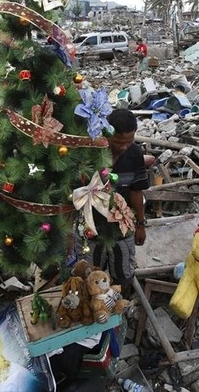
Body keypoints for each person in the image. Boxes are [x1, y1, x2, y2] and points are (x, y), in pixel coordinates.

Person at [77, 109, 149, 292]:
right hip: (91, 227)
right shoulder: (89, 153)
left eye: (129, 141)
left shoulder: (134, 154)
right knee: (89, 276)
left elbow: (136, 191)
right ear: (107, 133)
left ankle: (119, 305)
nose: (124, 147)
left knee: (123, 274)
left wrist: (140, 224)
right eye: (118, 142)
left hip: (122, 227)